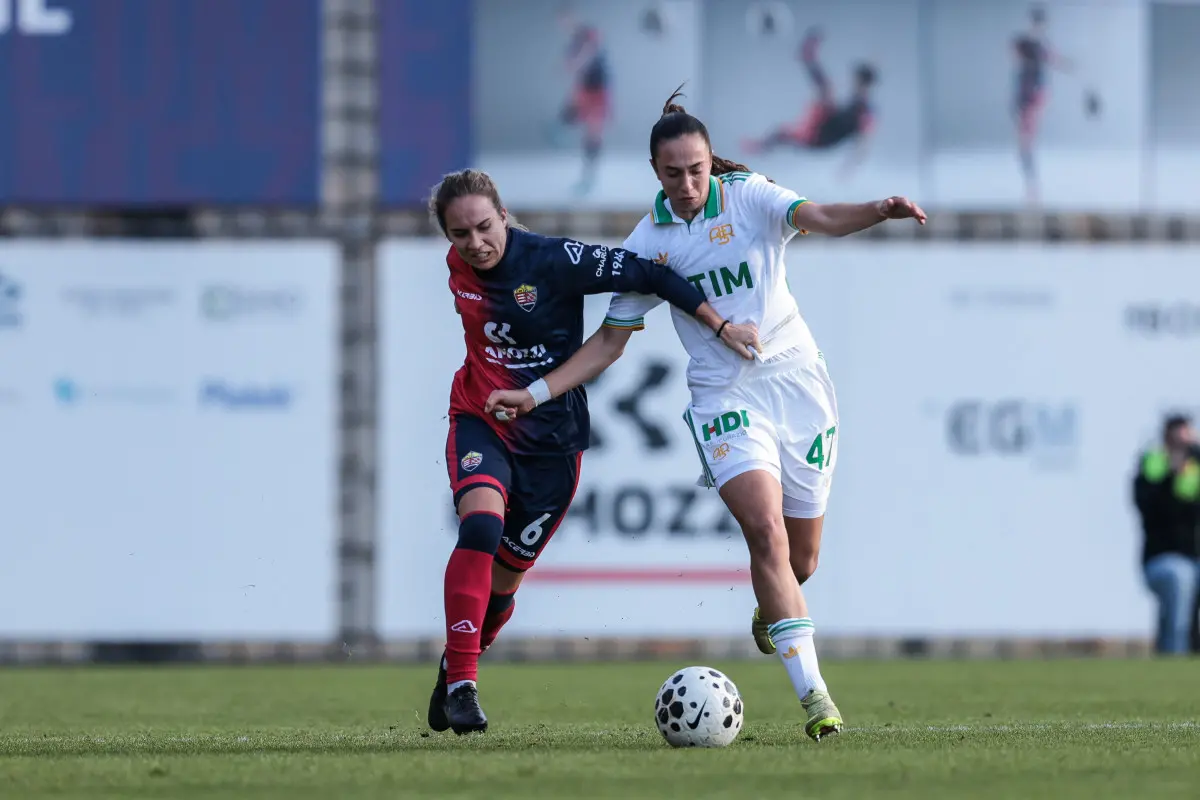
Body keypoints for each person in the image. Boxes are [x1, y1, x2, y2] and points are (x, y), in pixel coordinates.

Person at [486, 88, 926, 742]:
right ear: (655, 173)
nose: (688, 184)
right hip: (724, 396)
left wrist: (878, 210)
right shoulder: (649, 242)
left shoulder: (751, 195)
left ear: (709, 160)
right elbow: (609, 342)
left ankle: (773, 611)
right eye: (673, 173)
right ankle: (818, 702)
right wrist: (537, 392)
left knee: (800, 560)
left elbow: (823, 215)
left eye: (696, 169)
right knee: (765, 536)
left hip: (798, 384)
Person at [426, 168, 757, 735]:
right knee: (478, 526)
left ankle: (456, 665)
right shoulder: (459, 266)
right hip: (481, 417)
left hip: (552, 441)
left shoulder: (555, 260)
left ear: (503, 216)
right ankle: (463, 686)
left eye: (484, 227)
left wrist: (719, 323)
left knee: (504, 583)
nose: (475, 244)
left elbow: (653, 274)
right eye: (460, 235)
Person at [741, 27, 877, 180]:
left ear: (865, 83)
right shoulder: (856, 102)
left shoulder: (866, 111)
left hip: (820, 137)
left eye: (857, 81)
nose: (853, 84)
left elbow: (864, 141)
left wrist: (849, 168)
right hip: (821, 128)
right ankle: (808, 57)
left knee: (826, 91)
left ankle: (807, 57)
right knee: (783, 131)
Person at [1133, 413, 1200, 655]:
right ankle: (1175, 655)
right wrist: (1172, 476)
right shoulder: (1153, 463)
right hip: (1162, 558)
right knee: (1180, 577)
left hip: (1194, 557)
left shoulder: (1196, 464)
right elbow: (1150, 507)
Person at [544, 2, 611, 195]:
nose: (564, 24)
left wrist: (574, 63)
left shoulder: (588, 33)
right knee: (568, 116)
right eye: (561, 22)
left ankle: (588, 178)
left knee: (593, 136)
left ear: (573, 17)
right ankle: (559, 132)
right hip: (585, 90)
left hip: (599, 91)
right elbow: (572, 66)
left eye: (566, 19)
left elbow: (586, 56)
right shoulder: (573, 43)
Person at [1011, 4, 1073, 204]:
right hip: (1025, 97)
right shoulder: (1025, 45)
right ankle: (1031, 185)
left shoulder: (1040, 47)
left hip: (1033, 97)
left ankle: (1032, 187)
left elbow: (1055, 60)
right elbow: (1018, 58)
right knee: (1024, 144)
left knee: (1026, 143)